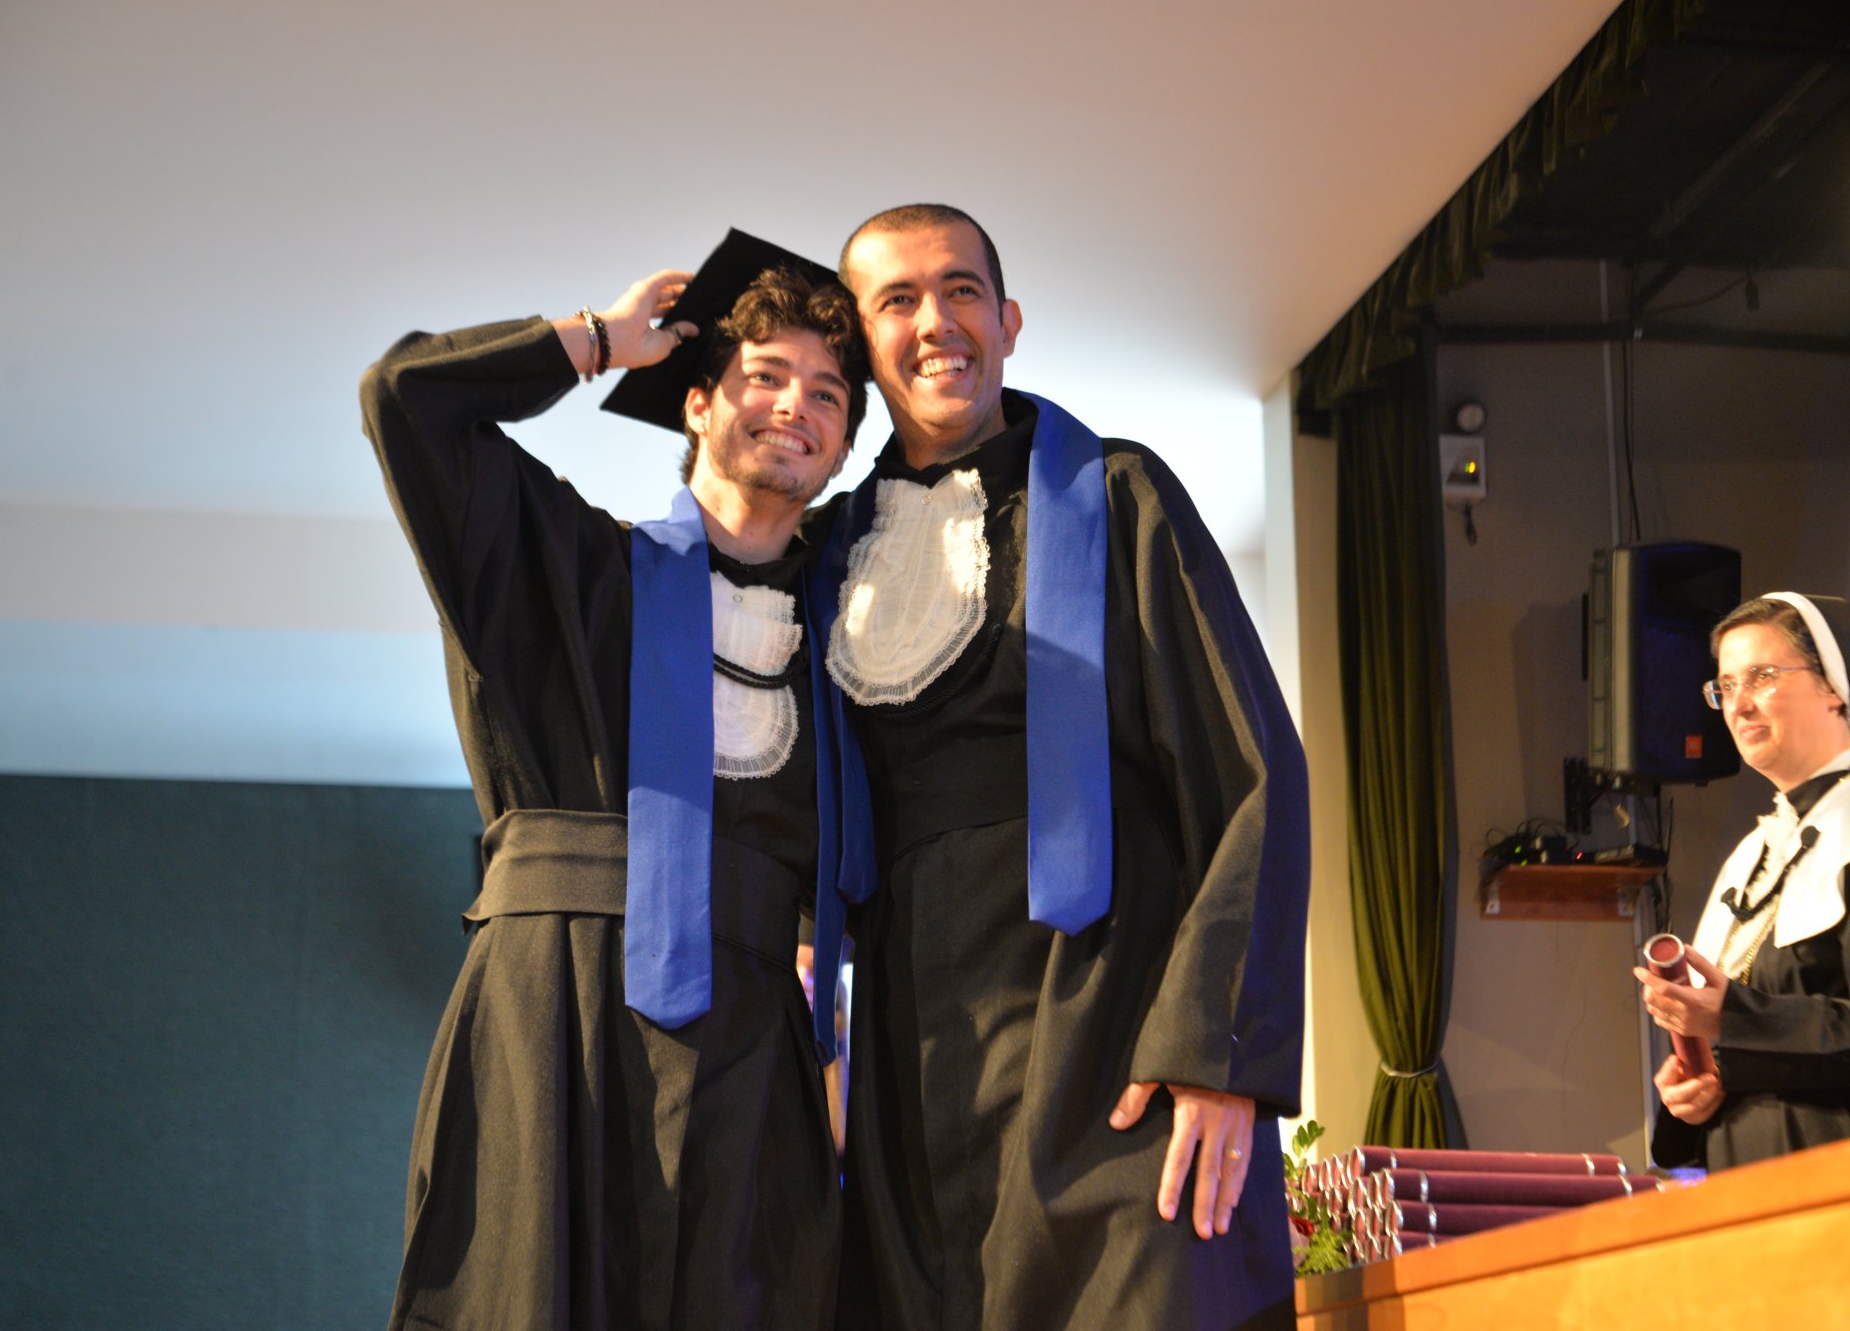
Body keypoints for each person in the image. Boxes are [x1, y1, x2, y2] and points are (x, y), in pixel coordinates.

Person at [359, 239, 868, 1331]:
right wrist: (594, 340)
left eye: (827, 393)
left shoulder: (849, 659)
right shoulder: (564, 569)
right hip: (557, 1011)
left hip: (752, 1055)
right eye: (765, 375)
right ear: (696, 402)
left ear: (838, 452)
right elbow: (403, 400)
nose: (796, 404)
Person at [817, 204, 1309, 1330]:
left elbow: (1251, 775)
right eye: (898, 300)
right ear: (861, 343)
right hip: (917, 1053)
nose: (935, 321)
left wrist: (1218, 1051)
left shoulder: (1119, 495)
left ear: (1008, 320)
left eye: (961, 290)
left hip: (1110, 1028)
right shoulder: (833, 553)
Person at [1637, 592, 1850, 1172]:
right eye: (1725, 686)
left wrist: (1736, 1019)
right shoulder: (1752, 855)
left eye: (1761, 676)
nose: (1739, 704)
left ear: (1834, 686)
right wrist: (1706, 1081)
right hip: (1747, 1184)